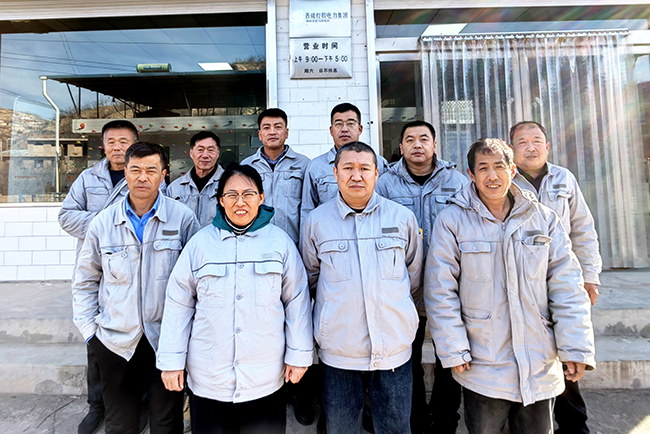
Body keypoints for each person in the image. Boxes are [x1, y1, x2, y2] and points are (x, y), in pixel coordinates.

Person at [424, 138, 596, 434]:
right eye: (483, 168)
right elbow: (440, 290)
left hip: (539, 359)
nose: (492, 176)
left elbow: (567, 286)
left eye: (499, 167)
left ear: (513, 170)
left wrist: (576, 346)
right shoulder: (452, 221)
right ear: (471, 174)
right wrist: (453, 348)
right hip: (483, 362)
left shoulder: (543, 218)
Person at [157, 163, 313, 434]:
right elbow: (178, 304)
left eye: (248, 194)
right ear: (220, 200)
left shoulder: (280, 243)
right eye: (231, 195)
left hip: (265, 376)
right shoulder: (200, 244)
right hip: (209, 377)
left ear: (261, 198)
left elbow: (297, 301)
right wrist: (171, 361)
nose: (240, 202)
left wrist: (299, 355)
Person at [72, 142, 199, 434]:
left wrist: (189, 332)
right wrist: (90, 332)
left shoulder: (182, 218)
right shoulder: (103, 222)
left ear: (164, 175)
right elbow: (85, 279)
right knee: (120, 423)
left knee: (166, 421)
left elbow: (197, 282)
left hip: (166, 340)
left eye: (151, 170)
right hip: (115, 340)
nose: (143, 177)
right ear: (125, 173)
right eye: (135, 170)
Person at [301, 142, 423, 434]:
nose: (356, 175)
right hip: (339, 349)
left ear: (377, 173)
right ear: (335, 173)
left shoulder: (402, 217)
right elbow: (311, 277)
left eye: (364, 168)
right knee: (342, 428)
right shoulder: (316, 221)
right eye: (348, 168)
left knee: (395, 428)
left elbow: (414, 276)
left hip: (394, 346)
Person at [375, 120, 468, 434]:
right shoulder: (385, 184)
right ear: (401, 147)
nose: (417, 145)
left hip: (449, 286)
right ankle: (415, 419)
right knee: (408, 357)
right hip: (403, 289)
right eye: (410, 139)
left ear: (434, 145)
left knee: (448, 356)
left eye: (424, 139)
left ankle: (445, 419)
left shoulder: (456, 181)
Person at [510, 120, 602, 434]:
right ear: (512, 148)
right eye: (522, 142)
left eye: (537, 141)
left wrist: (590, 276)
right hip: (525, 281)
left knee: (567, 353)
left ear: (547, 146)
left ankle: (574, 426)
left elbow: (583, 230)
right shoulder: (506, 180)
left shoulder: (564, 178)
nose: (530, 147)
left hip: (563, 279)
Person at [59, 120, 140, 434]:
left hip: (132, 275)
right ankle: (97, 406)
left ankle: (138, 405)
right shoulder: (88, 177)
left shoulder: (143, 174)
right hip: (95, 271)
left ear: (135, 143)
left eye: (124, 141)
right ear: (103, 146)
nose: (117, 147)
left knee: (137, 344)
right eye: (111, 141)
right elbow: (66, 216)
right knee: (95, 344)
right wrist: (106, 222)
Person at [301, 102, 388, 221]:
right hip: (330, 230)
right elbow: (307, 209)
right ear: (331, 130)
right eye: (338, 124)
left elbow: (387, 203)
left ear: (360, 129)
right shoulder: (316, 166)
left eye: (351, 124)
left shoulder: (380, 163)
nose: (344, 129)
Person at [241, 108, 310, 244]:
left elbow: (308, 207)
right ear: (260, 135)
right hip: (256, 242)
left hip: (294, 242)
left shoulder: (304, 164)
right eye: (266, 128)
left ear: (286, 133)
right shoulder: (246, 166)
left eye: (278, 127)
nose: (272, 132)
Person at [167, 131, 223, 227]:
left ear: (218, 153)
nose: (205, 155)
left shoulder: (228, 184)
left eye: (210, 150)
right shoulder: (174, 188)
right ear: (191, 153)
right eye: (200, 150)